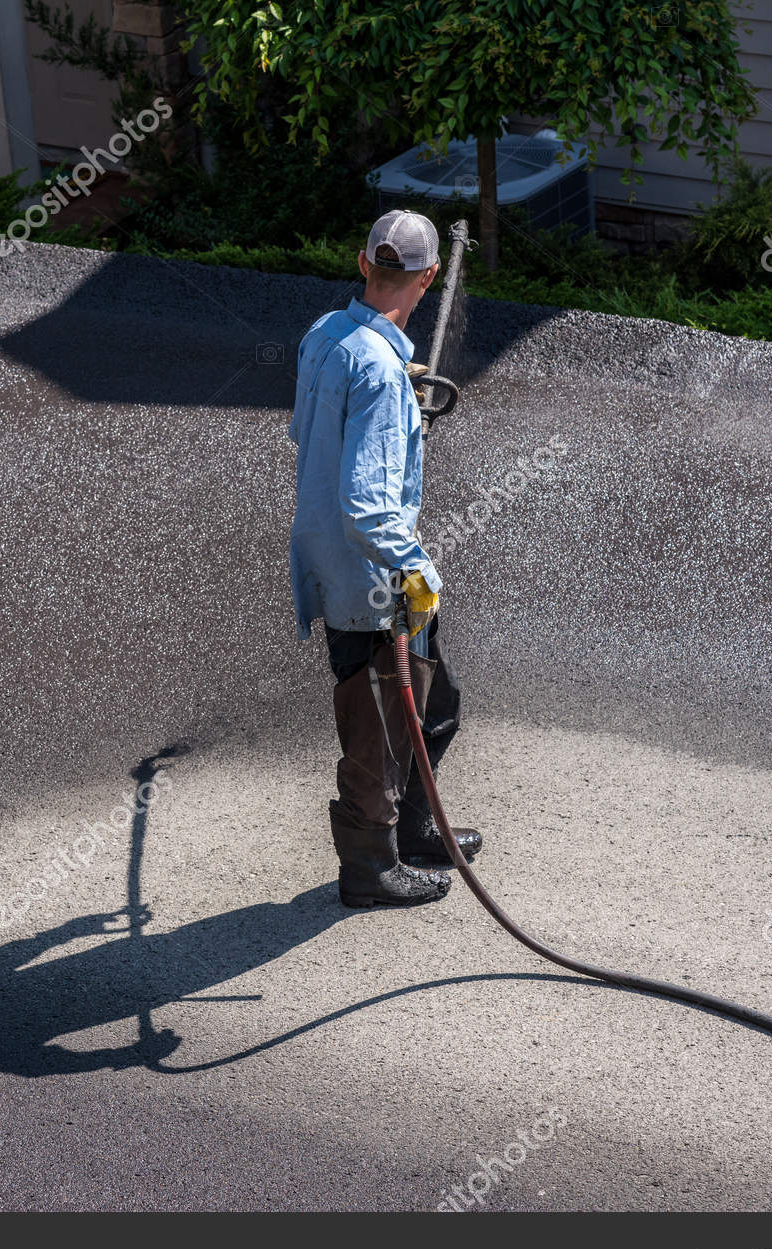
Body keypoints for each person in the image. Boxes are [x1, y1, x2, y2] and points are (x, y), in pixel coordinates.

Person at [288, 210, 482, 909]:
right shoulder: (376, 369)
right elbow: (368, 507)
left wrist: (401, 397)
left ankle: (417, 827)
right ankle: (370, 868)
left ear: (364, 263)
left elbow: (308, 429)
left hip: (331, 558)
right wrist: (417, 572)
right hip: (372, 575)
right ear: (428, 278)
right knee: (377, 726)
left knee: (435, 701)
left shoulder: (325, 335)